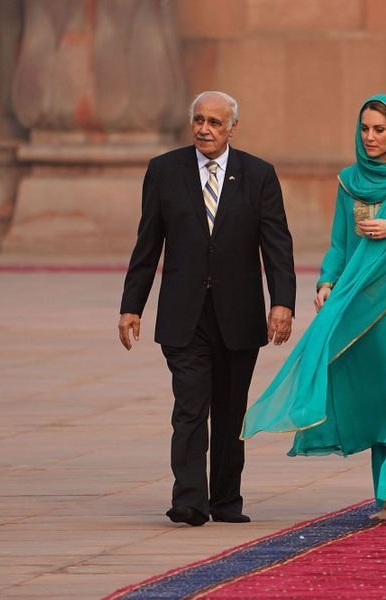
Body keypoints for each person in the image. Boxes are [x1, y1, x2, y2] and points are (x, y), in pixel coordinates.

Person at [240, 94, 386, 522]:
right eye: (365, 129)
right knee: (374, 396)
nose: (371, 137)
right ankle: (384, 499)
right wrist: (325, 281)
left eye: (380, 130)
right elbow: (338, 244)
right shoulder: (349, 182)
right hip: (356, 302)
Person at [118, 91, 296, 527]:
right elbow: (148, 244)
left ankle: (226, 501)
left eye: (215, 122)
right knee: (190, 408)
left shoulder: (258, 175)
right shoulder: (164, 171)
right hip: (184, 314)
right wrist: (131, 306)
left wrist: (283, 303)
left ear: (232, 127)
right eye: (199, 120)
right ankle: (190, 501)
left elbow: (277, 245)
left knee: (231, 411)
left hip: (238, 316)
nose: (205, 129)